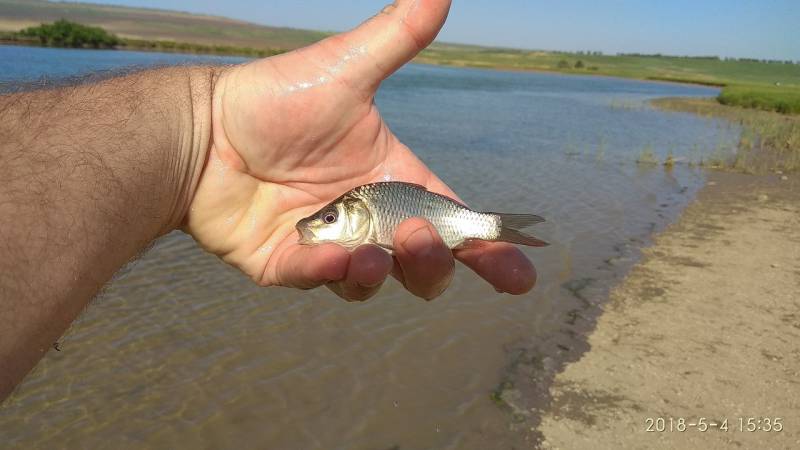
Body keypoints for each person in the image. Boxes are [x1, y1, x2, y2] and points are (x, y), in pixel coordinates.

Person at [0, 0, 536, 401]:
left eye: (329, 219)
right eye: (326, 217)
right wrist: (203, 126)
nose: (317, 225)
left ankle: (489, 226)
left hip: (438, 219)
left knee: (424, 245)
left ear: (354, 215)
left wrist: (202, 128)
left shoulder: (376, 207)